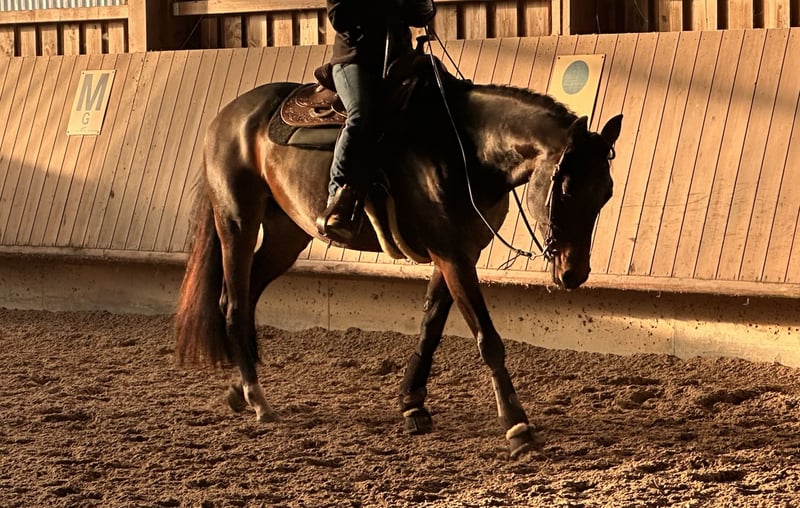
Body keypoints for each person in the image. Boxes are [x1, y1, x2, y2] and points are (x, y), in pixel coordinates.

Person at [317, 0, 436, 243]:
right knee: (360, 116)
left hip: (400, 59)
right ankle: (338, 195)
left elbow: (419, 16)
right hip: (355, 60)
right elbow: (339, 18)